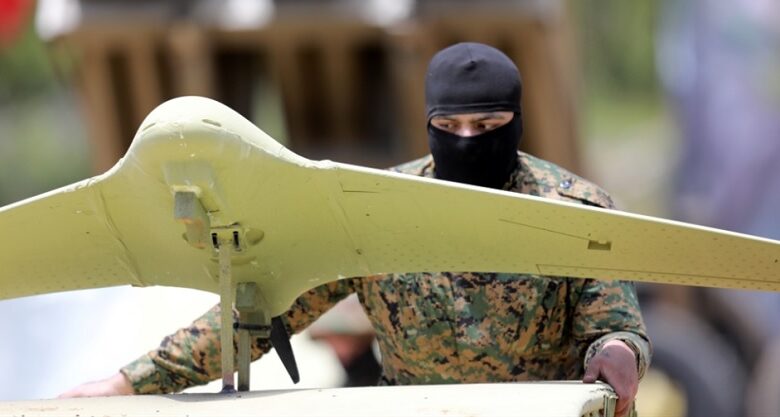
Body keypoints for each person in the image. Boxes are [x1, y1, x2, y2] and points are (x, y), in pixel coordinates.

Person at [61, 42, 650, 417]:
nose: (468, 140)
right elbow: (260, 315)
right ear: (429, 125)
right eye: (451, 126)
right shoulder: (375, 210)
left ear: (516, 123)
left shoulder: (572, 209)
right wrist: (126, 384)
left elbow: (614, 327)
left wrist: (619, 353)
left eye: (487, 124)